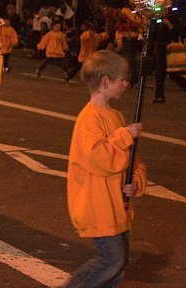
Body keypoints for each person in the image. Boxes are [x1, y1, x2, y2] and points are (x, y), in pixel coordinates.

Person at [63, 50, 147, 288]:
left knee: (118, 266)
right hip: (98, 204)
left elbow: (132, 159)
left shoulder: (116, 116)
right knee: (112, 259)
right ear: (105, 82)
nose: (126, 84)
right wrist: (123, 137)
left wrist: (136, 182)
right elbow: (100, 159)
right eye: (123, 79)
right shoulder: (89, 118)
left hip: (117, 205)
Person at [152, 18, 186, 103]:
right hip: (163, 50)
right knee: (170, 74)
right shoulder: (159, 20)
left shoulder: (170, 20)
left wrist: (170, 25)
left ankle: (159, 96)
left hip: (168, 51)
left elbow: (175, 35)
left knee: (165, 73)